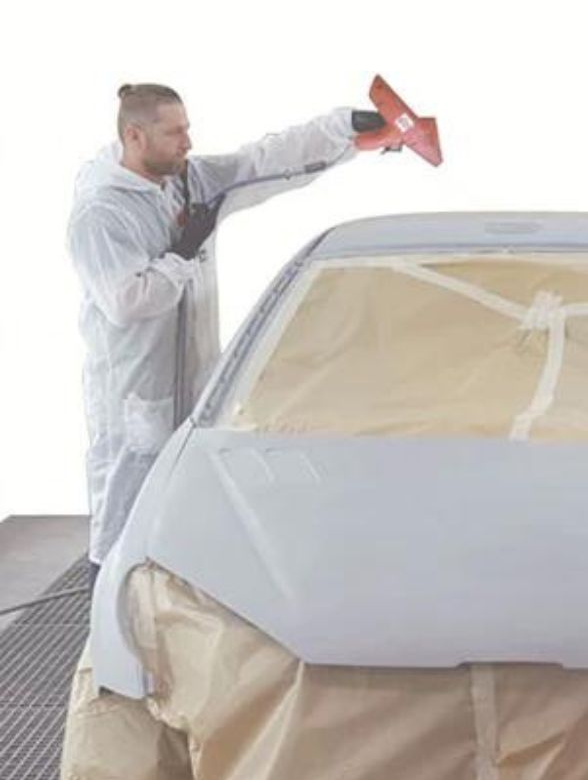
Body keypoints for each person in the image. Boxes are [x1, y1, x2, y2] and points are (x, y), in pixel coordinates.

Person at [68, 83, 388, 582]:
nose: (188, 142)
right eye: (175, 132)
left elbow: (261, 163)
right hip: (136, 389)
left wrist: (345, 128)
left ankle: (172, 623)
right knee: (125, 516)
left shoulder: (185, 181)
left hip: (193, 375)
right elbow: (129, 301)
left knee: (184, 506)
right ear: (134, 136)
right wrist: (183, 254)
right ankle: (103, 630)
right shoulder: (101, 212)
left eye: (188, 128)